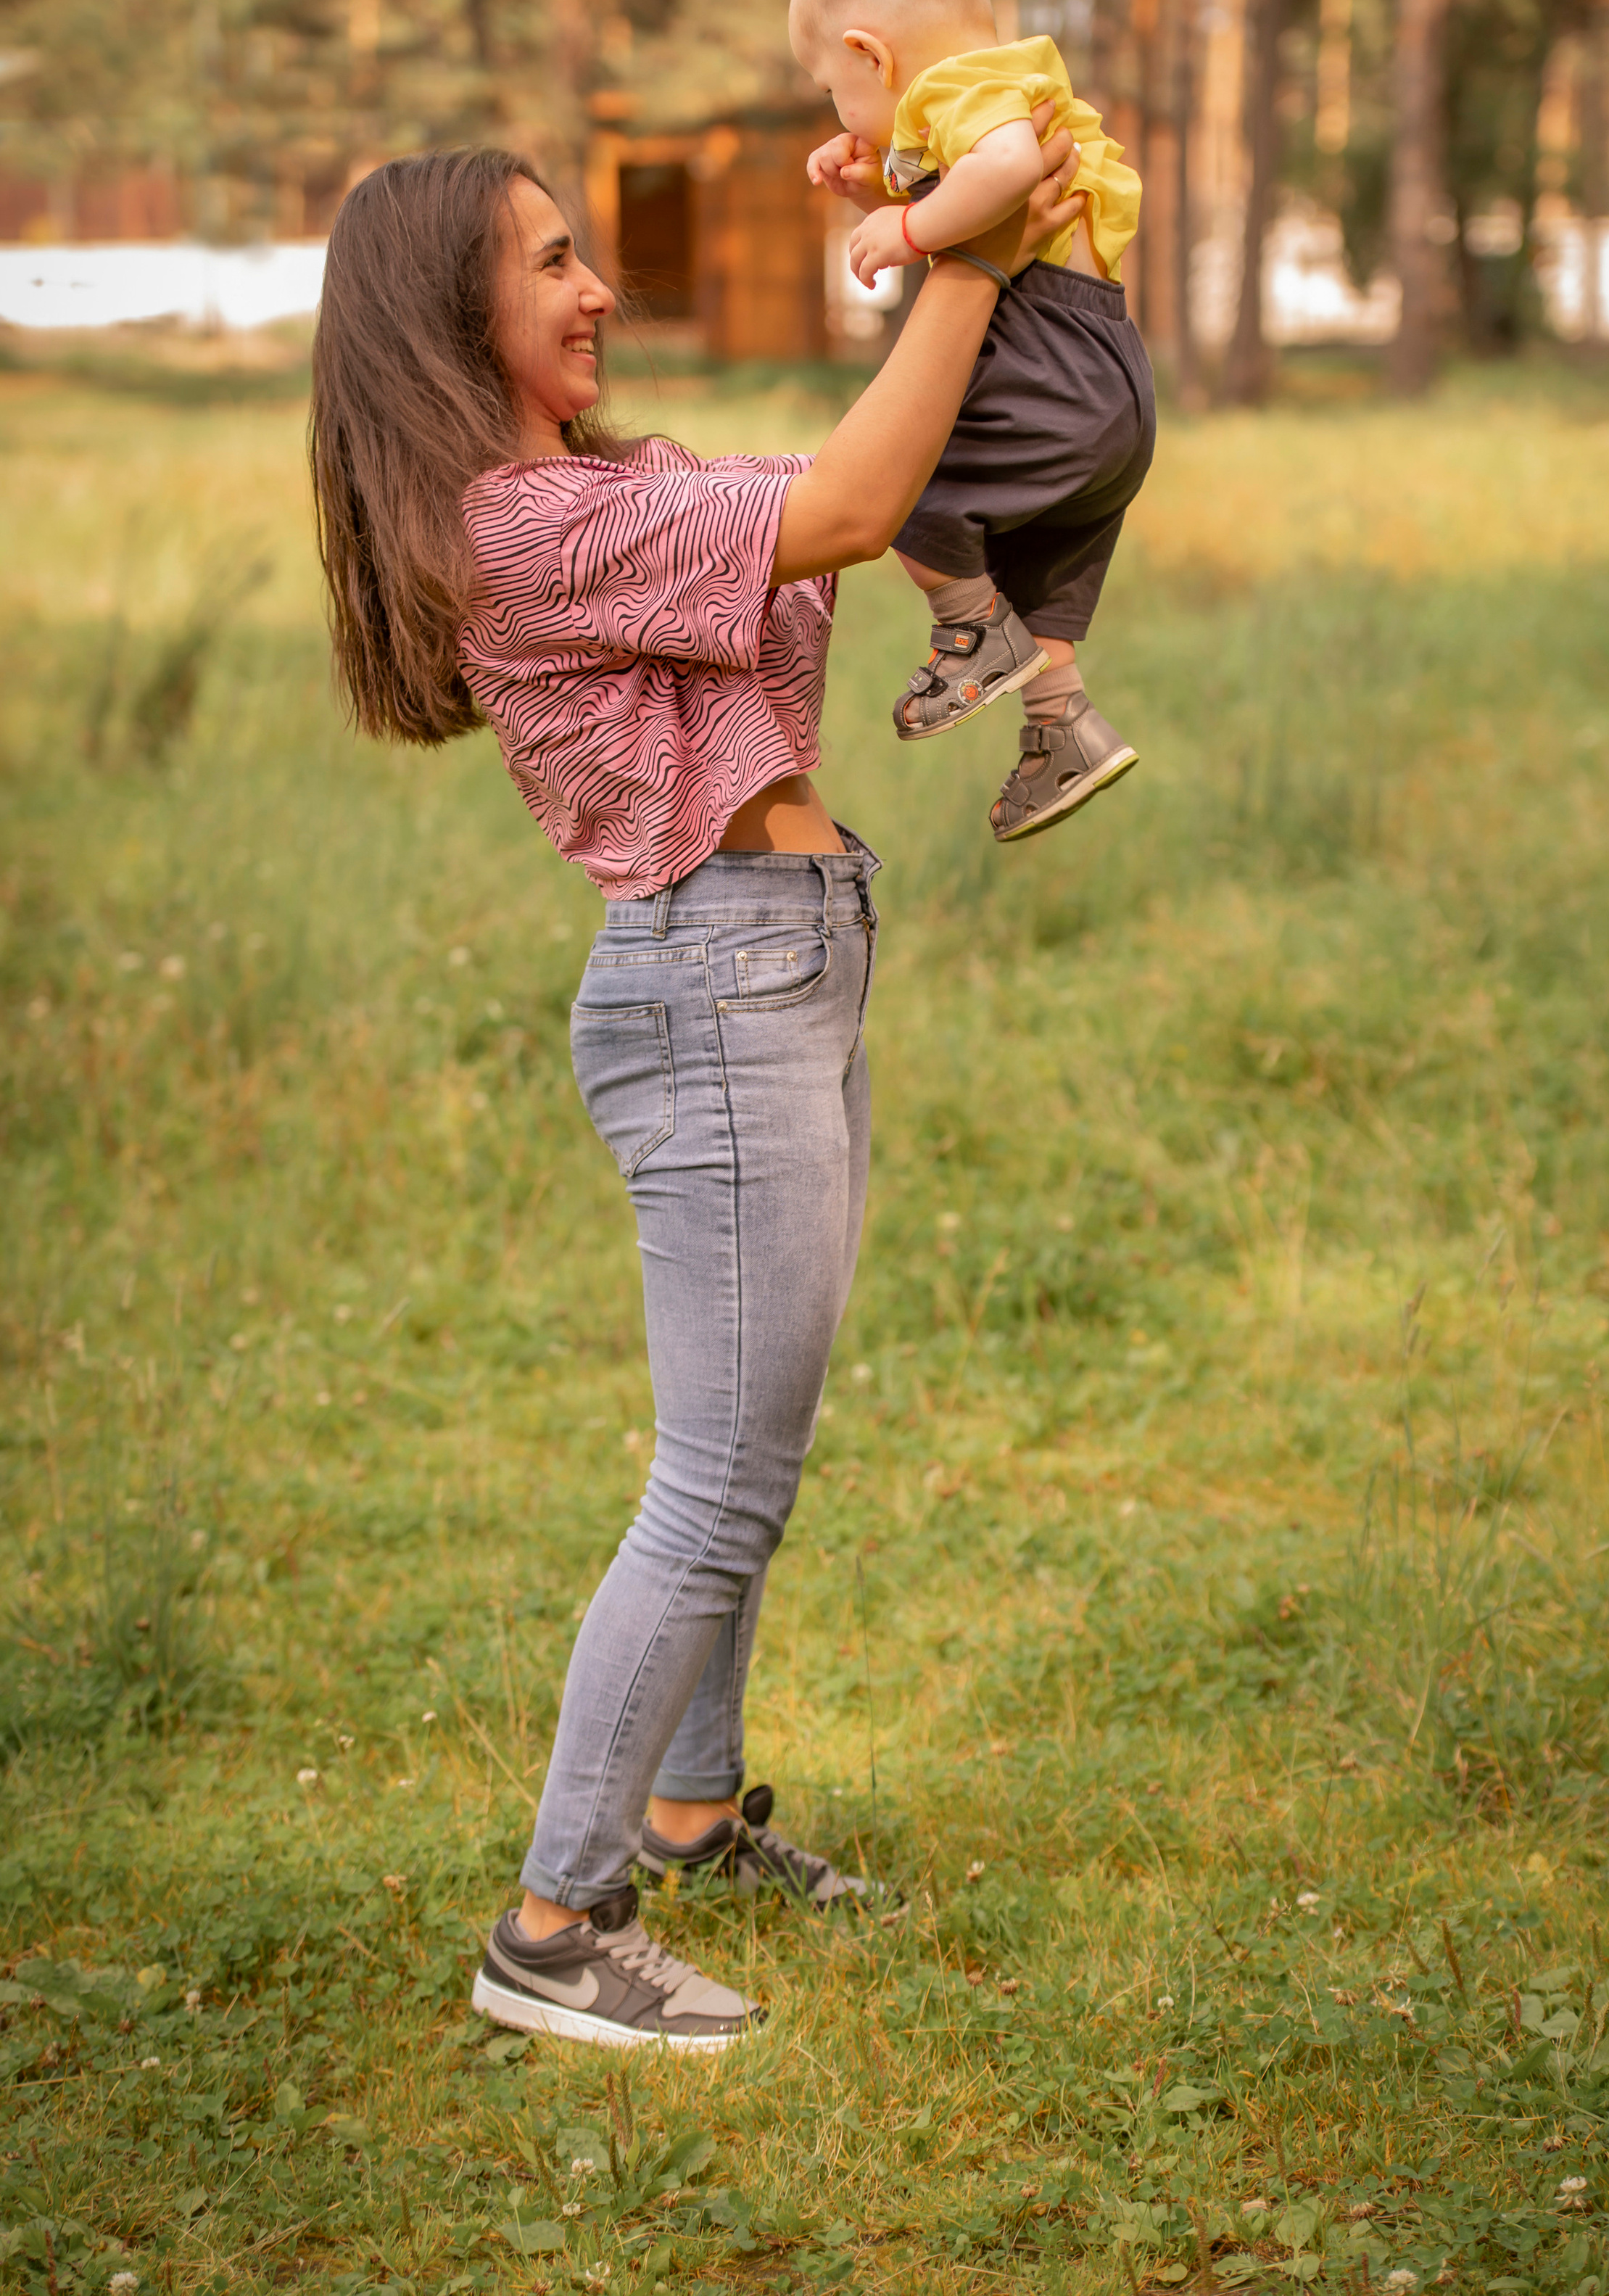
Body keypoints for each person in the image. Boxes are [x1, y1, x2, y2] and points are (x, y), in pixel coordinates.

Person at [306, 131, 1080, 2052]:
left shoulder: (608, 490)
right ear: (446, 319)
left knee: (755, 1443)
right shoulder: (524, 532)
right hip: (718, 981)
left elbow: (860, 491)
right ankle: (555, 1925)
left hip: (785, 951)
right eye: (555, 261)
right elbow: (850, 496)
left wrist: (964, 251)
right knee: (723, 1475)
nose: (599, 289)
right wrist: (960, 259)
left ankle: (686, 1815)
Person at [790, 0, 1156, 843]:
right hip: (1105, 374)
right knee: (1037, 563)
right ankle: (1061, 728)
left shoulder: (962, 92)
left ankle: (968, 632)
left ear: (871, 55)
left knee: (903, 480)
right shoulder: (996, 80)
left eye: (835, 91)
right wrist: (889, 185)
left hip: (1048, 353)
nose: (844, 115)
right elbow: (982, 182)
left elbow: (1002, 169)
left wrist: (906, 227)